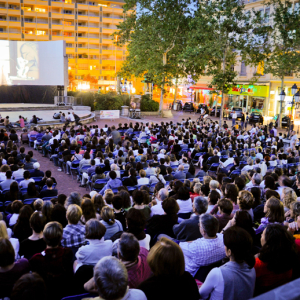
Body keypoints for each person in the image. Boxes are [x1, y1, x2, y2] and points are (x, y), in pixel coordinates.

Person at [199, 226, 256, 300]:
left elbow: (201, 295)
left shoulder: (217, 273)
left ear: (229, 251)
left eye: (224, 244)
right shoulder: (252, 268)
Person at [29, 222, 73, 300]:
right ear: (61, 238)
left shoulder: (36, 259)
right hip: (64, 293)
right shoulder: (67, 253)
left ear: (44, 238)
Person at [254, 224, 298, 295]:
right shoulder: (290, 255)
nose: (261, 235)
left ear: (268, 243)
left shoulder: (258, 264)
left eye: (263, 234)